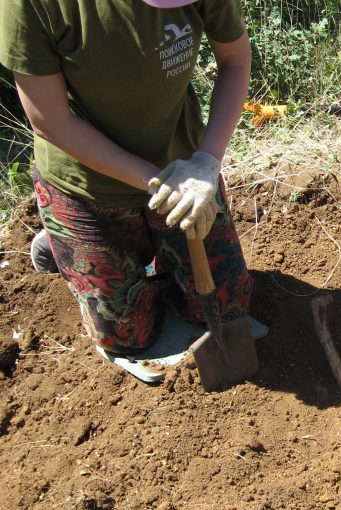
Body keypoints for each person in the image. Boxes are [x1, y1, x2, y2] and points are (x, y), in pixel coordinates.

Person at [0, 0, 255, 370]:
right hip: (87, 185)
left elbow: (235, 60)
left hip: (182, 171)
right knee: (127, 335)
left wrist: (206, 162)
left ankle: (145, 251)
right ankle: (62, 241)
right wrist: (153, 182)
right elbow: (50, 119)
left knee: (229, 305)